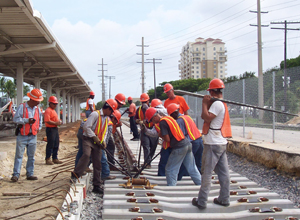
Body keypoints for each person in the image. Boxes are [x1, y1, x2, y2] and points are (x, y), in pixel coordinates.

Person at [192, 78, 232, 209]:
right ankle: (224, 198)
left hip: (213, 143)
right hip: (221, 142)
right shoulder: (222, 103)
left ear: (212, 91)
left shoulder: (217, 104)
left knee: (207, 173)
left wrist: (204, 103)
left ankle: (202, 201)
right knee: (224, 173)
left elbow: (206, 117)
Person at [72, 99, 118, 194]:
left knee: (97, 163)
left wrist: (104, 141)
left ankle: (96, 185)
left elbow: (104, 132)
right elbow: (86, 127)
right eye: (111, 111)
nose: (111, 113)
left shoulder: (106, 118)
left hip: (97, 142)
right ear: (108, 108)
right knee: (86, 154)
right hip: (88, 139)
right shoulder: (95, 114)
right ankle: (76, 174)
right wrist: (94, 137)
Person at [145, 107, 201, 186]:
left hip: (179, 147)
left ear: (154, 117)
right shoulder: (168, 118)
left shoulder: (162, 122)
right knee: (192, 168)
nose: (152, 122)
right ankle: (200, 184)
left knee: (170, 169)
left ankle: (171, 187)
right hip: (187, 144)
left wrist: (162, 136)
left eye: (152, 120)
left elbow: (167, 139)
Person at [11, 89, 43, 182]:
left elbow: (40, 121)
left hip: (33, 135)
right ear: (32, 99)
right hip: (22, 135)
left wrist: (38, 128)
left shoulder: (38, 109)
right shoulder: (22, 107)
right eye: (37, 101)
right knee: (19, 156)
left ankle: (30, 174)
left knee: (31, 156)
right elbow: (16, 119)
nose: (38, 103)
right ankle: (16, 174)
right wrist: (26, 121)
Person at [167, 103, 204, 179]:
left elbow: (180, 135)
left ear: (174, 113)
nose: (171, 117)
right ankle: (200, 179)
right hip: (199, 140)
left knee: (185, 161)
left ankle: (178, 177)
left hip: (192, 142)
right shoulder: (187, 117)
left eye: (171, 115)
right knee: (197, 162)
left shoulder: (179, 121)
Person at [135, 93, 159, 169]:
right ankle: (147, 162)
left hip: (153, 129)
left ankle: (149, 161)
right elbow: (134, 119)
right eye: (143, 102)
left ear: (149, 101)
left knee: (153, 147)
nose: (144, 103)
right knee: (146, 146)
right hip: (144, 130)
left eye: (145, 102)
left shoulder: (153, 108)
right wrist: (138, 121)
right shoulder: (138, 110)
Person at [106, 93, 125, 171]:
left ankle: (111, 164)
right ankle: (111, 164)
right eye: (120, 103)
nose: (120, 105)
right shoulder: (112, 108)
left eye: (122, 104)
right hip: (106, 130)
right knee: (109, 146)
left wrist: (117, 124)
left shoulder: (115, 109)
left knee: (110, 146)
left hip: (109, 130)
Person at [44, 96, 62, 165]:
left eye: (56, 104)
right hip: (50, 129)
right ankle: (48, 158)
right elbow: (47, 120)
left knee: (56, 143)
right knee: (50, 144)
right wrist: (55, 123)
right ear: (50, 103)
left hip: (55, 128)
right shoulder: (48, 110)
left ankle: (55, 158)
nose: (55, 105)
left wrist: (58, 122)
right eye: (54, 104)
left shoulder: (53, 111)